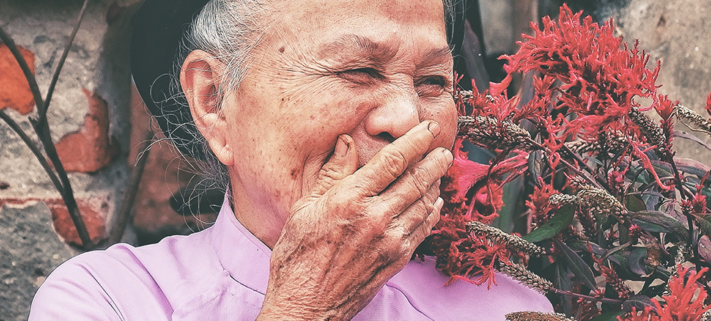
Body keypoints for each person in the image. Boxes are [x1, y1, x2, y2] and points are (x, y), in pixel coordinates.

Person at [29, 0, 554, 319]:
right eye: (358, 70)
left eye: (433, 81)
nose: (407, 117)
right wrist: (307, 306)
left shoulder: (509, 312)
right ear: (213, 101)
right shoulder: (110, 302)